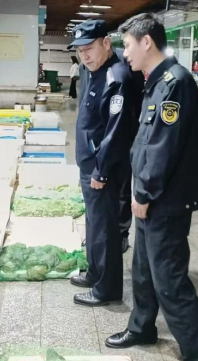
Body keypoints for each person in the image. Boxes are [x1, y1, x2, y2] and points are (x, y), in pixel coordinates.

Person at [106, 13, 198, 361]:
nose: (125, 53)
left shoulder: (176, 82)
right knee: (142, 271)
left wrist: (143, 192)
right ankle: (142, 328)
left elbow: (162, 148)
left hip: (165, 202)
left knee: (170, 283)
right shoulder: (155, 81)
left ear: (147, 41)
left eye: (128, 45)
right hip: (151, 198)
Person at [69, 20, 137, 307]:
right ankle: (95, 273)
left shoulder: (116, 77)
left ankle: (107, 289)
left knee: (106, 230)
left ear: (106, 43)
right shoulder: (94, 71)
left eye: (89, 48)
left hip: (103, 169)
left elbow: (116, 131)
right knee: (94, 225)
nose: (84, 56)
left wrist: (101, 170)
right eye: (80, 51)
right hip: (90, 165)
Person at [78, 47, 144, 254]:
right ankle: (99, 238)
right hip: (97, 142)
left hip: (121, 137)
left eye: (89, 48)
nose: (85, 54)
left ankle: (120, 234)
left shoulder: (122, 66)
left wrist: (128, 130)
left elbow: (132, 103)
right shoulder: (86, 66)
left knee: (121, 188)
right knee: (99, 201)